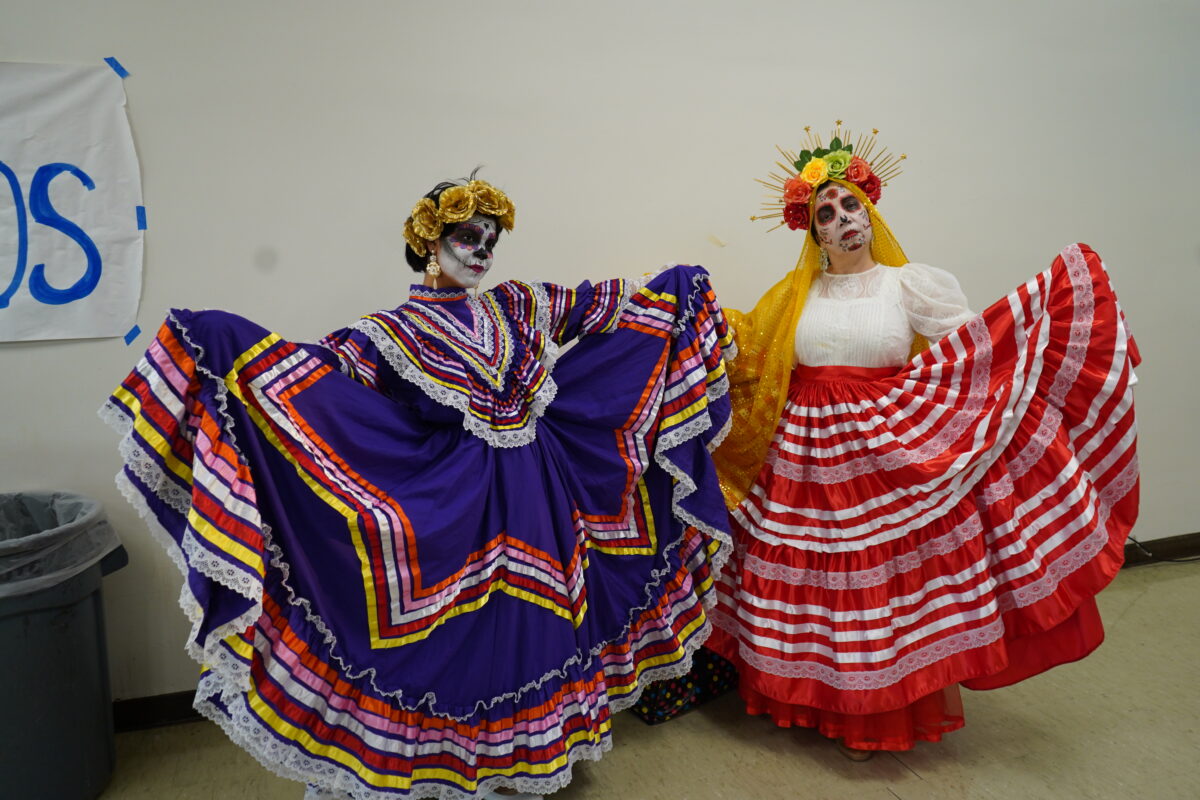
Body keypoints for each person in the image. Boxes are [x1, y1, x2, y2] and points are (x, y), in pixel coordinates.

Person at [101, 174, 736, 798]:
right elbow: (318, 379)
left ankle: (529, 760)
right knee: (468, 633)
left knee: (541, 620)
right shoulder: (392, 332)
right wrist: (226, 346)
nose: (481, 251)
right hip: (457, 510)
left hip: (541, 499)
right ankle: (460, 766)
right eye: (467, 235)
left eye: (490, 238)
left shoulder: (518, 304)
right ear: (429, 242)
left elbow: (600, 305)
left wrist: (668, 290)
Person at [706, 125, 1141, 758]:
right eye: (826, 212)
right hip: (801, 459)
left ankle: (876, 710)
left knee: (879, 583)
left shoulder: (909, 284)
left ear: (870, 210)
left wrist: (1031, 346)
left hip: (883, 450)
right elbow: (750, 350)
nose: (842, 218)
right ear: (815, 233)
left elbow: (975, 350)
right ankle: (811, 698)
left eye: (851, 203)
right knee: (817, 583)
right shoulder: (796, 296)